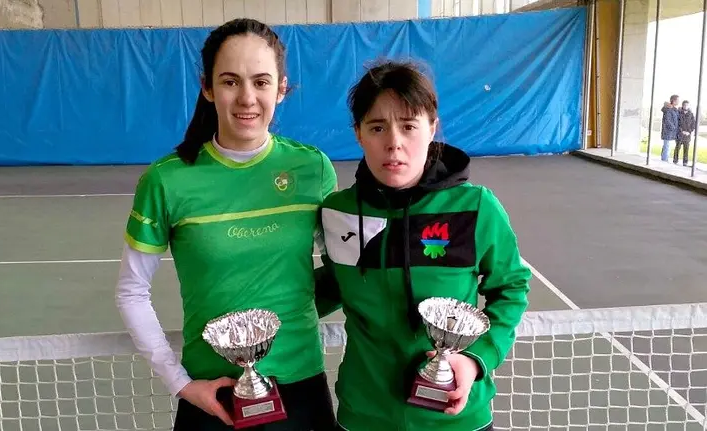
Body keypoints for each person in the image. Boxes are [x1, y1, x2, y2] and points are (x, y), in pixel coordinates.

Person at [115, 18, 339, 431]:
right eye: (231, 81)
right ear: (207, 88)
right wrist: (180, 383)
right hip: (212, 397)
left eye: (261, 81)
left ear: (281, 88)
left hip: (303, 390)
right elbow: (132, 292)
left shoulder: (312, 169)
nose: (247, 97)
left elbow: (345, 273)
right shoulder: (166, 180)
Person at [317, 60, 531, 431]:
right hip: (364, 416)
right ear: (359, 134)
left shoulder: (475, 207)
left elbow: (511, 289)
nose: (394, 143)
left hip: (456, 418)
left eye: (408, 126)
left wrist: (475, 359)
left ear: (431, 128)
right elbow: (334, 286)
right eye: (377, 127)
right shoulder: (338, 212)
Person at [675, 99, 696, 166]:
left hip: (687, 135)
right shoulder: (678, 113)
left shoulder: (691, 114)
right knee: (677, 147)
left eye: (687, 105)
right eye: (684, 105)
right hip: (680, 134)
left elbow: (693, 124)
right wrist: (681, 131)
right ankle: (675, 160)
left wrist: (689, 132)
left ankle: (685, 162)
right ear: (682, 105)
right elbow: (676, 123)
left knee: (686, 149)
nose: (685, 106)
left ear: (688, 106)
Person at [661, 95, 680, 162]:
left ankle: (664, 159)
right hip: (668, 131)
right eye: (677, 100)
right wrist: (674, 128)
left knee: (667, 146)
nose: (678, 101)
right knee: (667, 146)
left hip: (672, 132)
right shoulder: (668, 109)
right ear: (673, 101)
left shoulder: (675, 109)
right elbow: (667, 120)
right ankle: (664, 160)